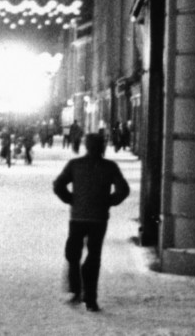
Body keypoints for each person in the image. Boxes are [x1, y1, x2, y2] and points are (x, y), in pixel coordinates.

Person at [52, 132, 130, 312]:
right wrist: (109, 201)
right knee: (94, 256)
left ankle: (76, 289)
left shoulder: (75, 165)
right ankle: (90, 298)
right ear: (102, 147)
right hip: (99, 218)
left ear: (86, 146)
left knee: (73, 253)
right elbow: (123, 189)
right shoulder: (109, 167)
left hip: (78, 217)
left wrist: (71, 199)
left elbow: (58, 185)